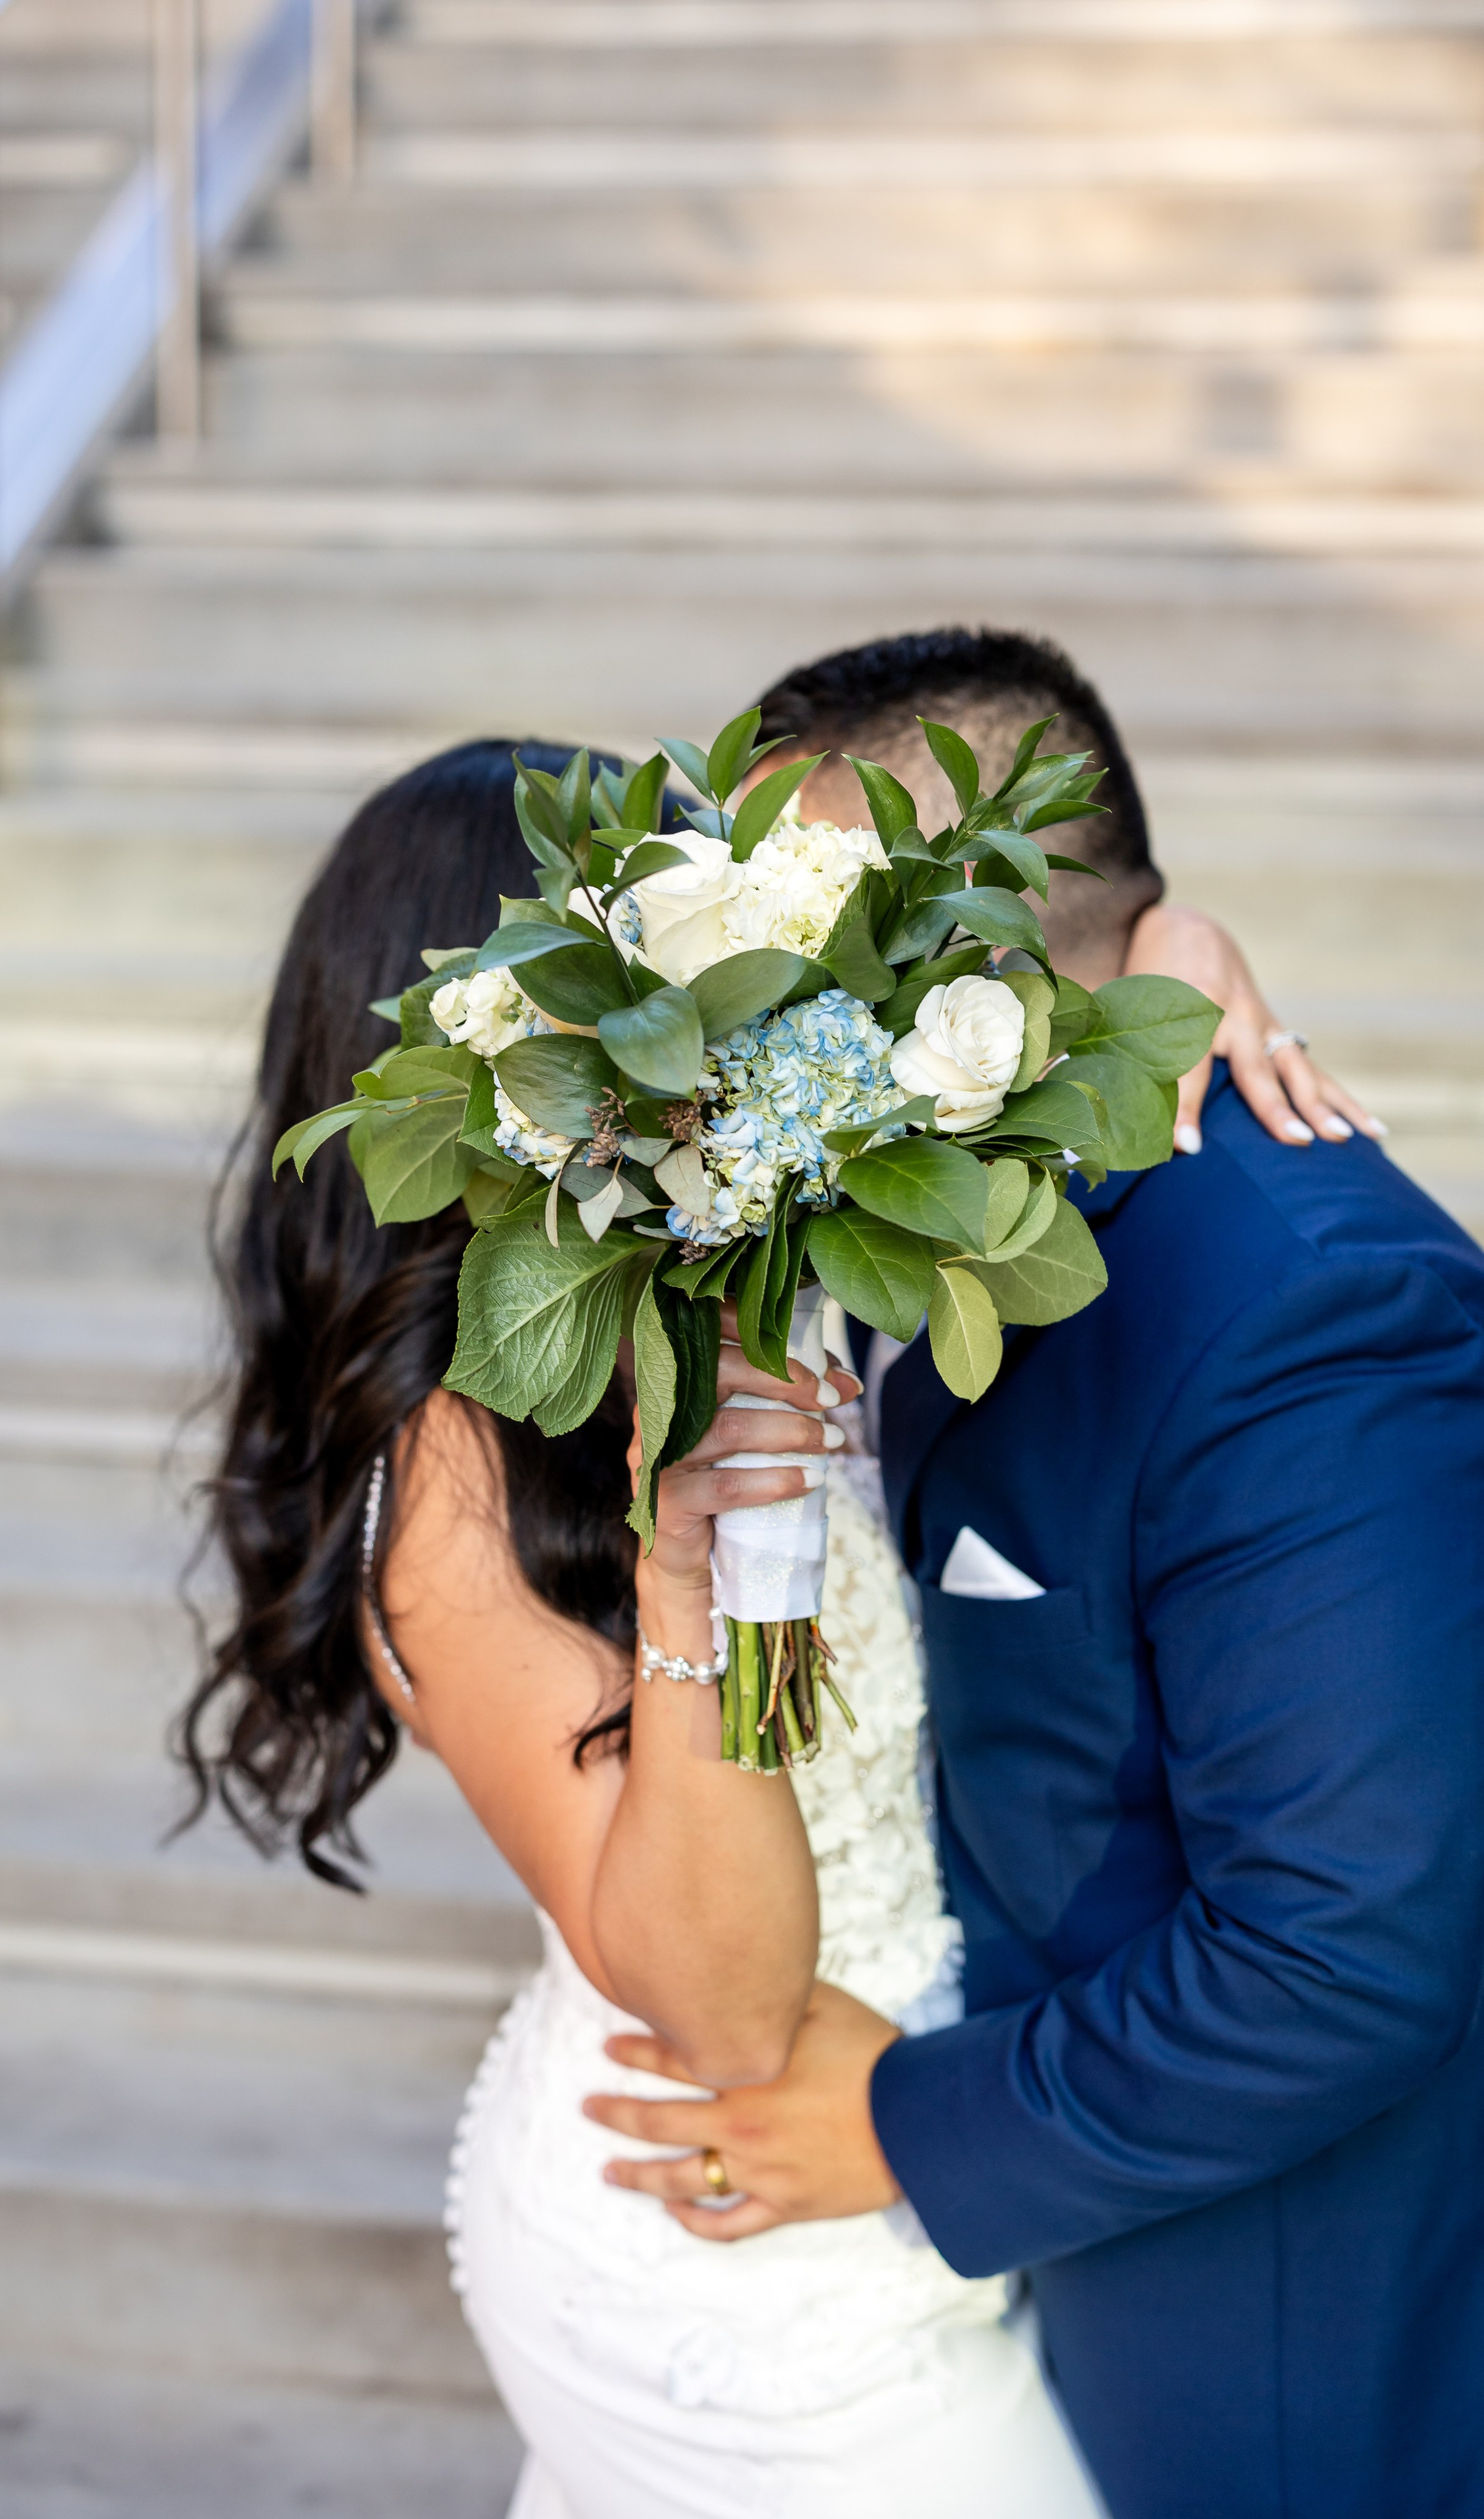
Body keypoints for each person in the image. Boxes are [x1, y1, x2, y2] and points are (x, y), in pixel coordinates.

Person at [182, 696, 1358, 2519]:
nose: (737, 1011)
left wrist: (1174, 960)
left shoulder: (757, 1238)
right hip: (726, 2223)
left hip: (909, 2166)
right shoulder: (451, 1489)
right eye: (659, 978)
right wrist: (686, 1575)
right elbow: (729, 2019)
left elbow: (1010, 1016)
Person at [586, 633, 1484, 2519]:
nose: (748, 1018)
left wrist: (907, 2129)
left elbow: (1345, 1950)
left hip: (1259, 2356)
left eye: (794, 953)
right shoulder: (898, 1196)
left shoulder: (1305, 1312)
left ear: (965, 968)